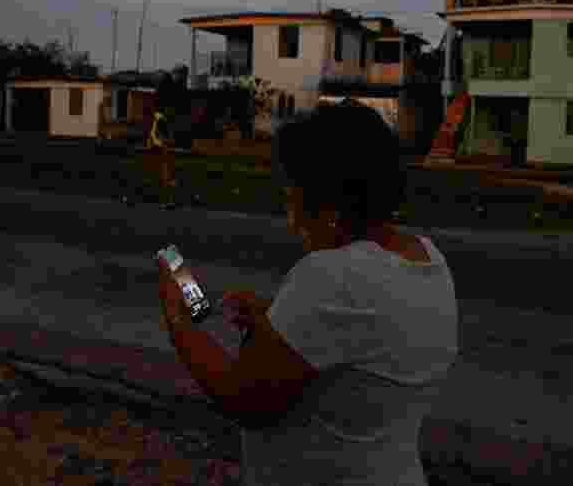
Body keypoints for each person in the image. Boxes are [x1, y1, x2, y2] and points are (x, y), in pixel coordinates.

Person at [156, 101, 458, 486]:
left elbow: (243, 399)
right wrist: (274, 321)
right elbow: (368, 342)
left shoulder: (331, 275)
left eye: (291, 196)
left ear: (326, 206)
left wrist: (178, 317)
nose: (290, 215)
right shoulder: (429, 260)